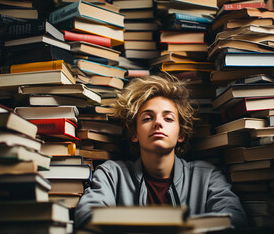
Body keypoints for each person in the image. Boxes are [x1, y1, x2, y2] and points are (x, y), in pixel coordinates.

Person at [74, 75, 247, 228]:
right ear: (134, 134)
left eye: (168, 118)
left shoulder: (207, 176)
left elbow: (235, 219)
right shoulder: (112, 174)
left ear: (181, 134)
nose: (158, 123)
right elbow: (87, 217)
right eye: (148, 118)